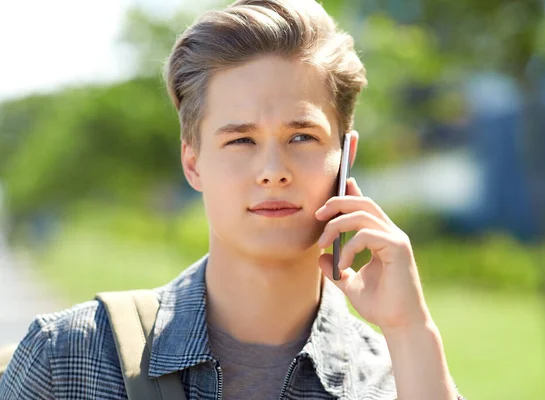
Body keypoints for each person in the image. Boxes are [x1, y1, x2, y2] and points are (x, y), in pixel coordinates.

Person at [0, 0, 465, 399]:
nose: (273, 171)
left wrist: (409, 330)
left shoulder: (398, 378)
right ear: (193, 162)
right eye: (241, 140)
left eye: (301, 136)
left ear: (346, 157)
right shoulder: (67, 359)